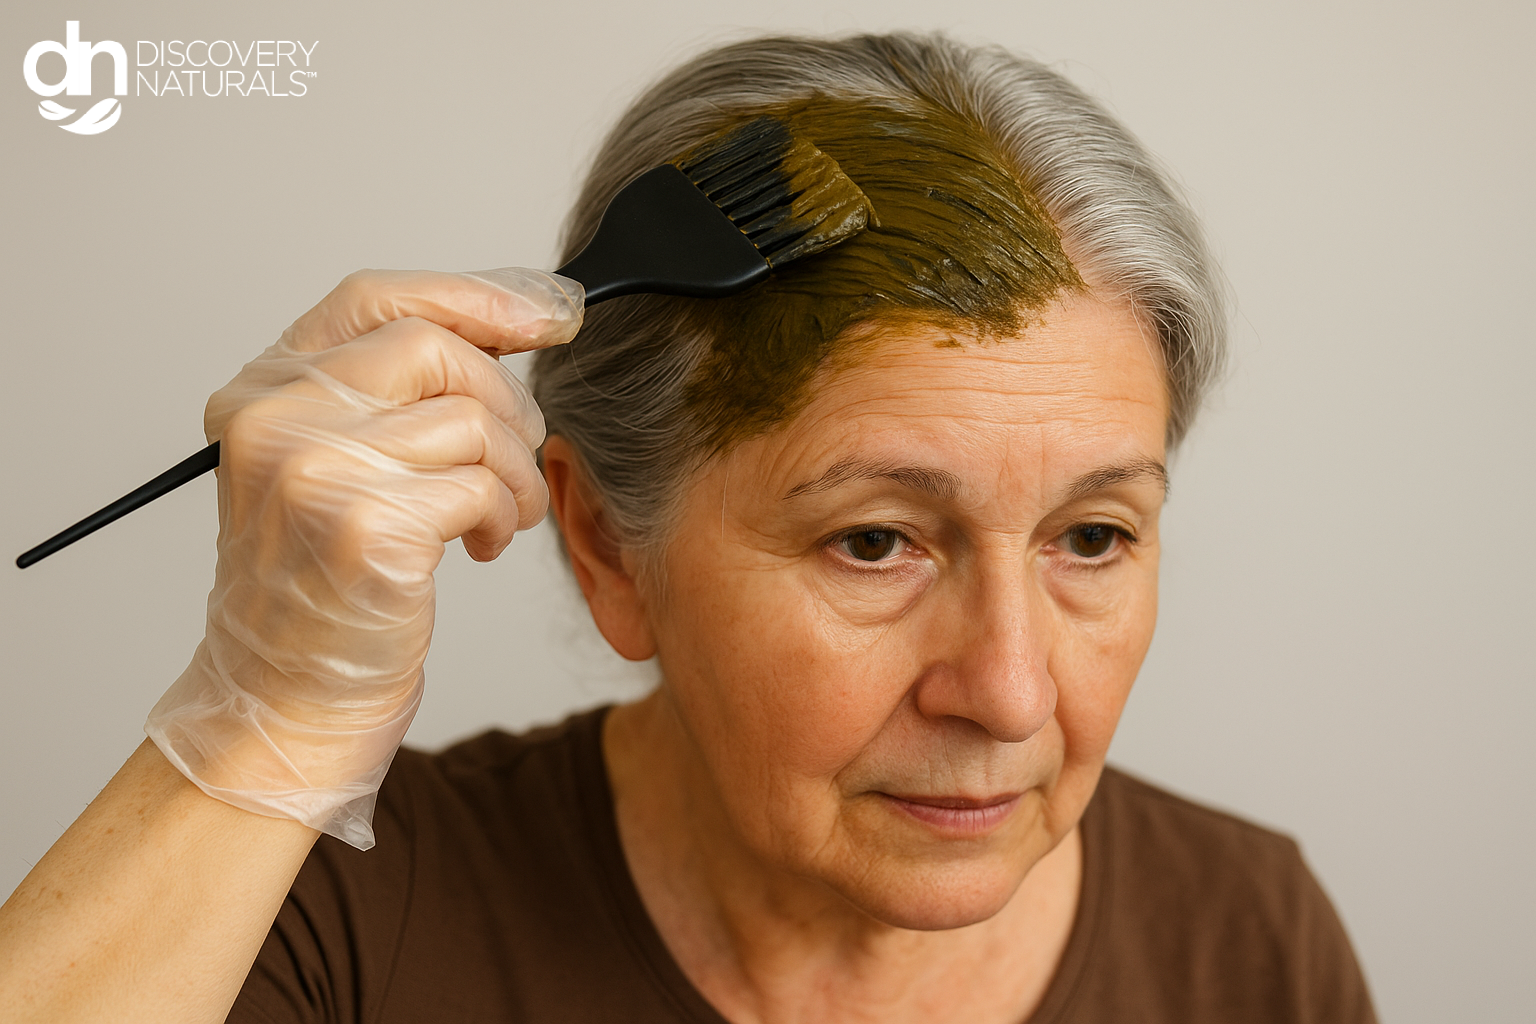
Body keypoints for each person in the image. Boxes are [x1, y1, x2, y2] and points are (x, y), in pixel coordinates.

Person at [0, 32, 1376, 1024]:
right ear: (605, 546)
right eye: (876, 541)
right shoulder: (339, 924)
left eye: (1093, 538)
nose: (1010, 693)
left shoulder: (1247, 940)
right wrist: (265, 725)